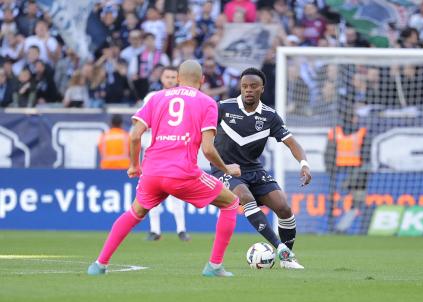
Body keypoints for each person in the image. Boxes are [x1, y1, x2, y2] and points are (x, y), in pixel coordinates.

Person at [87, 60, 279, 277]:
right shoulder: (207, 103)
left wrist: (134, 165)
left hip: (152, 172)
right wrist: (227, 168)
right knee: (231, 203)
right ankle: (214, 266)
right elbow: (208, 149)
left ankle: (99, 264)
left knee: (135, 212)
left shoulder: (156, 97)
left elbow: (134, 136)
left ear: (177, 78)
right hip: (182, 173)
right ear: (202, 80)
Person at [212, 68, 311, 269]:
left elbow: (292, 143)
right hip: (226, 169)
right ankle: (280, 248)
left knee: (284, 208)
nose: (248, 90)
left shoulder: (270, 116)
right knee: (245, 198)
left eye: (253, 86)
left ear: (262, 89)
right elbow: (201, 133)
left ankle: (287, 259)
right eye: (244, 86)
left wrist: (304, 164)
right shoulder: (222, 108)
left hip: (254, 169)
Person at [145, 66, 192, 242]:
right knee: (152, 192)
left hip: (177, 151)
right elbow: (144, 121)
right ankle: (154, 230)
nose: (170, 80)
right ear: (161, 78)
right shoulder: (152, 97)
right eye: (167, 76)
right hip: (156, 152)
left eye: (173, 77)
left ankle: (181, 229)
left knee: (177, 192)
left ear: (178, 78)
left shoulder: (186, 98)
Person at [324, 108, 370, 233]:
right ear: (352, 118)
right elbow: (366, 155)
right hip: (349, 173)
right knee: (353, 203)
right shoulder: (360, 132)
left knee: (348, 202)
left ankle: (340, 227)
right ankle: (339, 227)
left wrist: (330, 169)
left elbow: (329, 153)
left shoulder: (335, 132)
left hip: (345, 173)